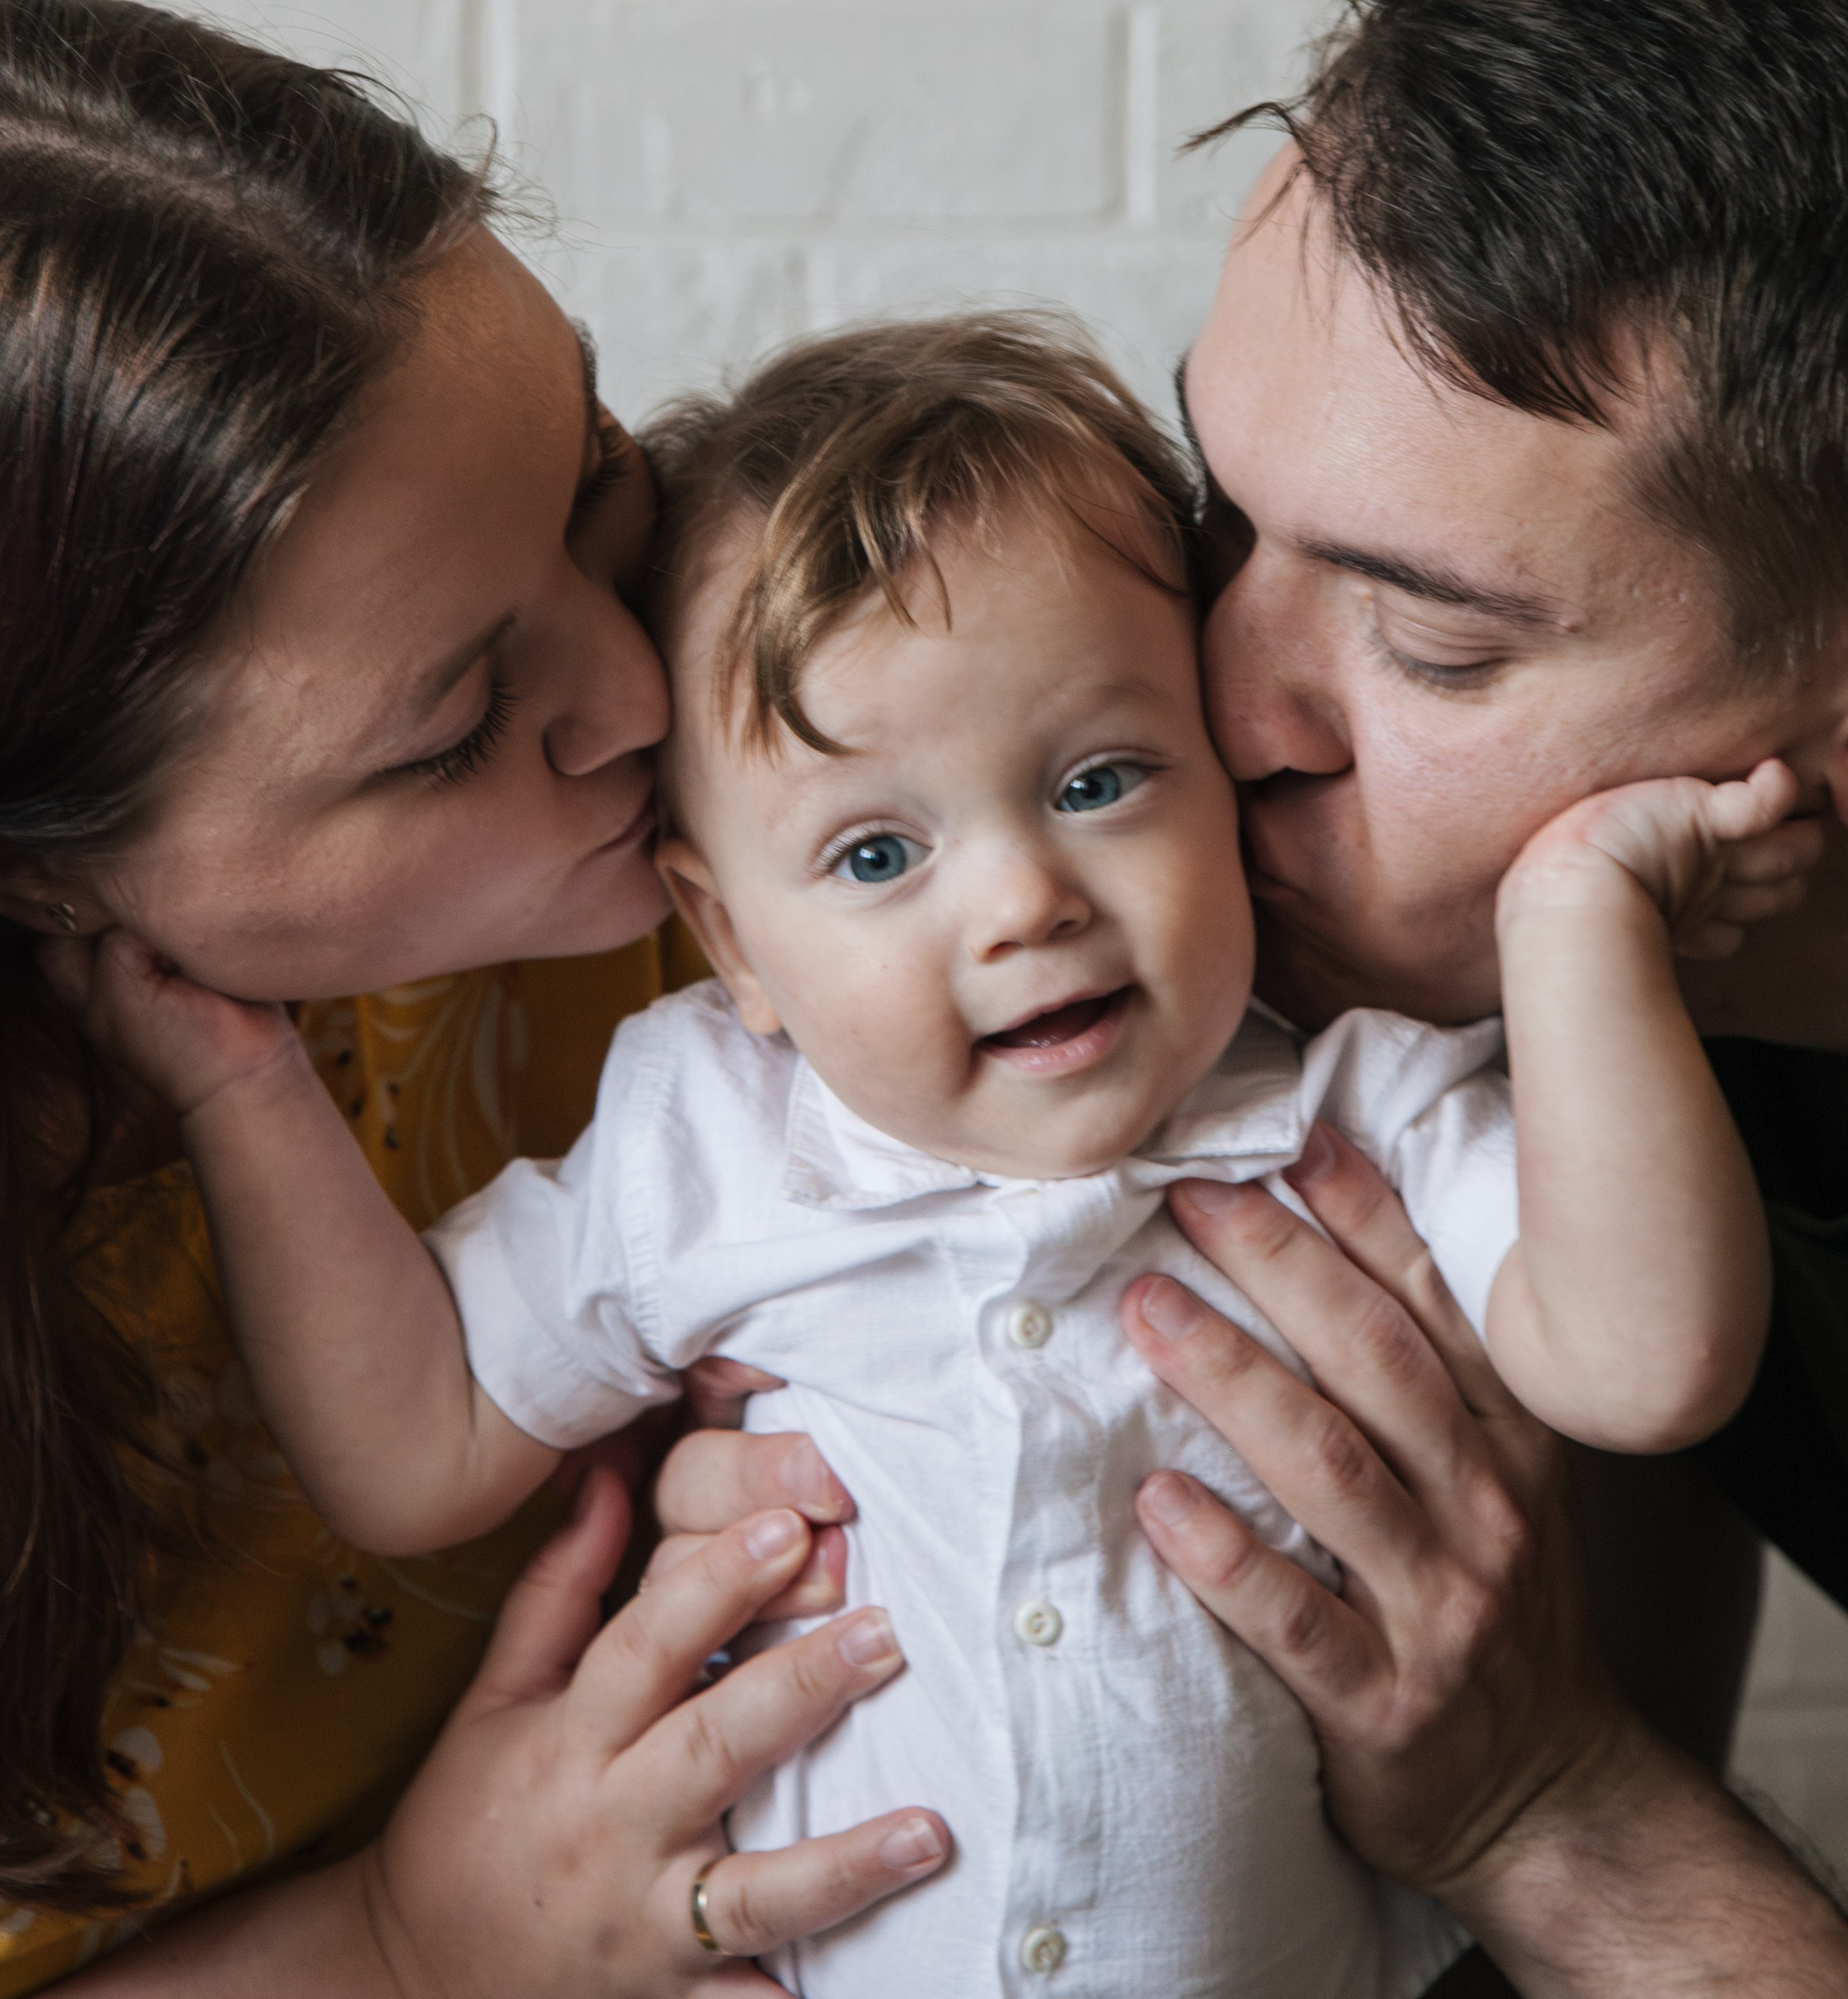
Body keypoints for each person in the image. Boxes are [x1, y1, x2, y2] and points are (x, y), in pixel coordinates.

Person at [54, 310, 1821, 1995]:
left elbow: (1647, 1363)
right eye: (877, 857)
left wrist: (1576, 925)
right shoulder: (704, 1134)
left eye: (1098, 781)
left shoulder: (1359, 1104)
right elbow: (417, 1445)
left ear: (1224, 767)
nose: (1024, 903)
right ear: (725, 939)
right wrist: (244, 1096)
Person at [0, 0, 949, 1998]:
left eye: (594, 478)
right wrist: (405, 1942)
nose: (636, 700)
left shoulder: (740, 830)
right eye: (452, 735)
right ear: (42, 869)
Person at [1118, 0, 1848, 1992]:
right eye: (1224, 509)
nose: (1218, 713)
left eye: (1427, 640)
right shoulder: (1599, 993)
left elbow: (1573, 1772)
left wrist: (1560, 1817)